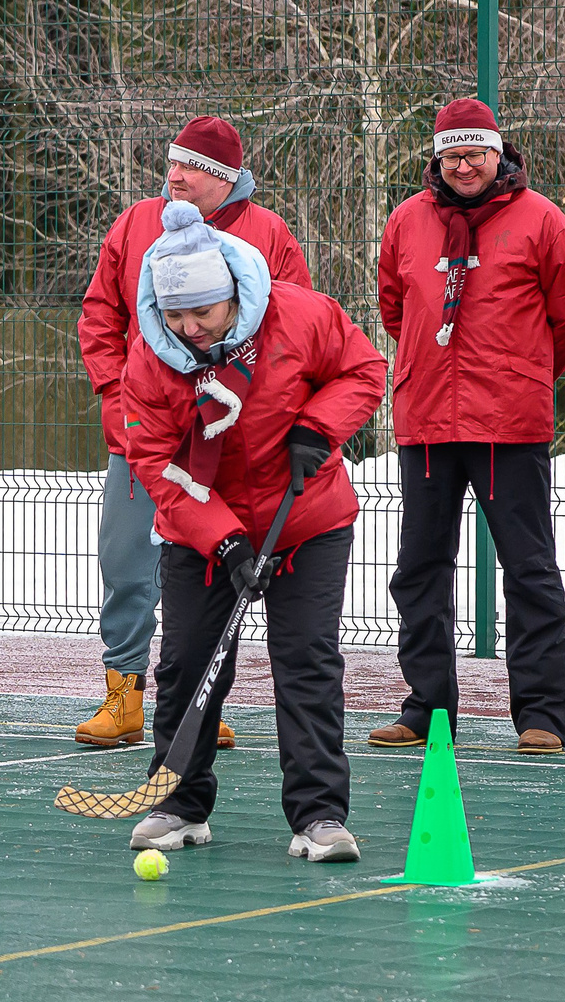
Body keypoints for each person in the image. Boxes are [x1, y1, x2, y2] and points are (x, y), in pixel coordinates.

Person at [117, 202, 387, 862]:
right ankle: (180, 802)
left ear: (233, 295)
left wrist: (315, 429)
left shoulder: (298, 314)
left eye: (202, 314)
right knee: (187, 664)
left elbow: (364, 371)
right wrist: (227, 540)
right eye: (175, 315)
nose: (189, 328)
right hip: (204, 531)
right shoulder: (152, 358)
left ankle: (319, 815)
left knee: (307, 661)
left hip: (307, 518)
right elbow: (156, 462)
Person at [75, 117, 314, 753]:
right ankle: (123, 692)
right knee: (125, 560)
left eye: (194, 167)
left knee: (211, 572)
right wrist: (110, 391)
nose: (175, 174)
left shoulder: (269, 235)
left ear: (228, 179)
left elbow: (297, 328)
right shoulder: (134, 225)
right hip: (145, 433)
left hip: (231, 442)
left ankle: (204, 700)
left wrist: (270, 414)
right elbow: (101, 313)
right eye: (173, 163)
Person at [371, 97, 565, 754]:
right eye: (452, 154)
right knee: (420, 568)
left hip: (509, 425)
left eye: (475, 152)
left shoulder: (544, 222)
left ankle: (543, 713)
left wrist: (522, 370)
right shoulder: (406, 222)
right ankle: (427, 705)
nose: (464, 165)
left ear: (500, 153)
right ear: (436, 158)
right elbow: (395, 309)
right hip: (428, 422)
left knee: (529, 568)